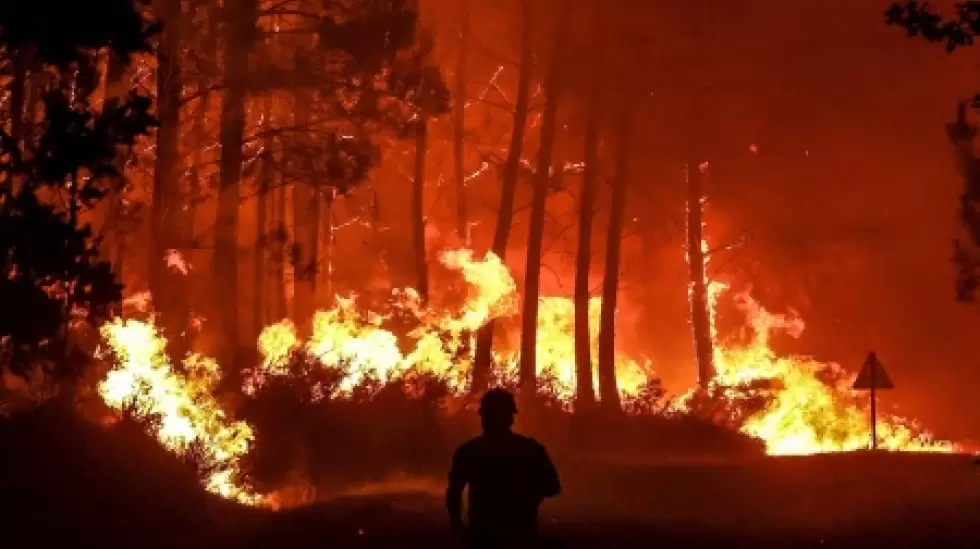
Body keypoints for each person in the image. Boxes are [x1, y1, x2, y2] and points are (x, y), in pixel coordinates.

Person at [446, 388, 561, 548]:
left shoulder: (469, 451)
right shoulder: (531, 449)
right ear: (511, 418)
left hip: (484, 535)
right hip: (520, 534)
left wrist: (457, 523)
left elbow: (454, 491)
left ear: (483, 416)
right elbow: (551, 488)